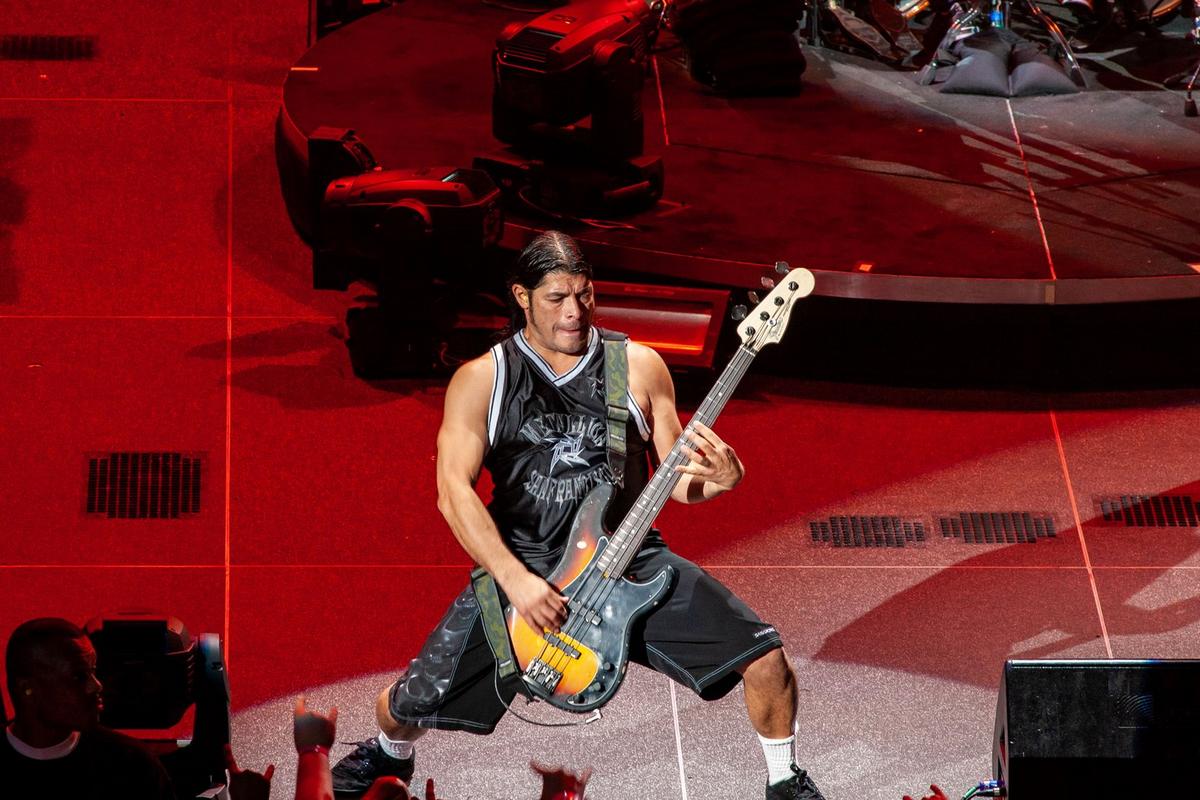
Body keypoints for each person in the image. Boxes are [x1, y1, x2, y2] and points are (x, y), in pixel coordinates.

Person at [331, 231, 824, 800]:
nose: (574, 311)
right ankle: (388, 754)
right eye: (556, 298)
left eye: (584, 295)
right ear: (522, 296)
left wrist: (720, 481)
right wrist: (517, 583)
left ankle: (784, 780)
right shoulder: (484, 380)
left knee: (766, 660)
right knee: (405, 706)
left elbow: (677, 481)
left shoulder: (638, 367)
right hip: (525, 566)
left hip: (627, 559)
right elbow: (453, 493)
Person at [1, 617, 175, 798]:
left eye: (93, 670)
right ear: (26, 689)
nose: (96, 686)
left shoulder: (134, 766)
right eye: (78, 676)